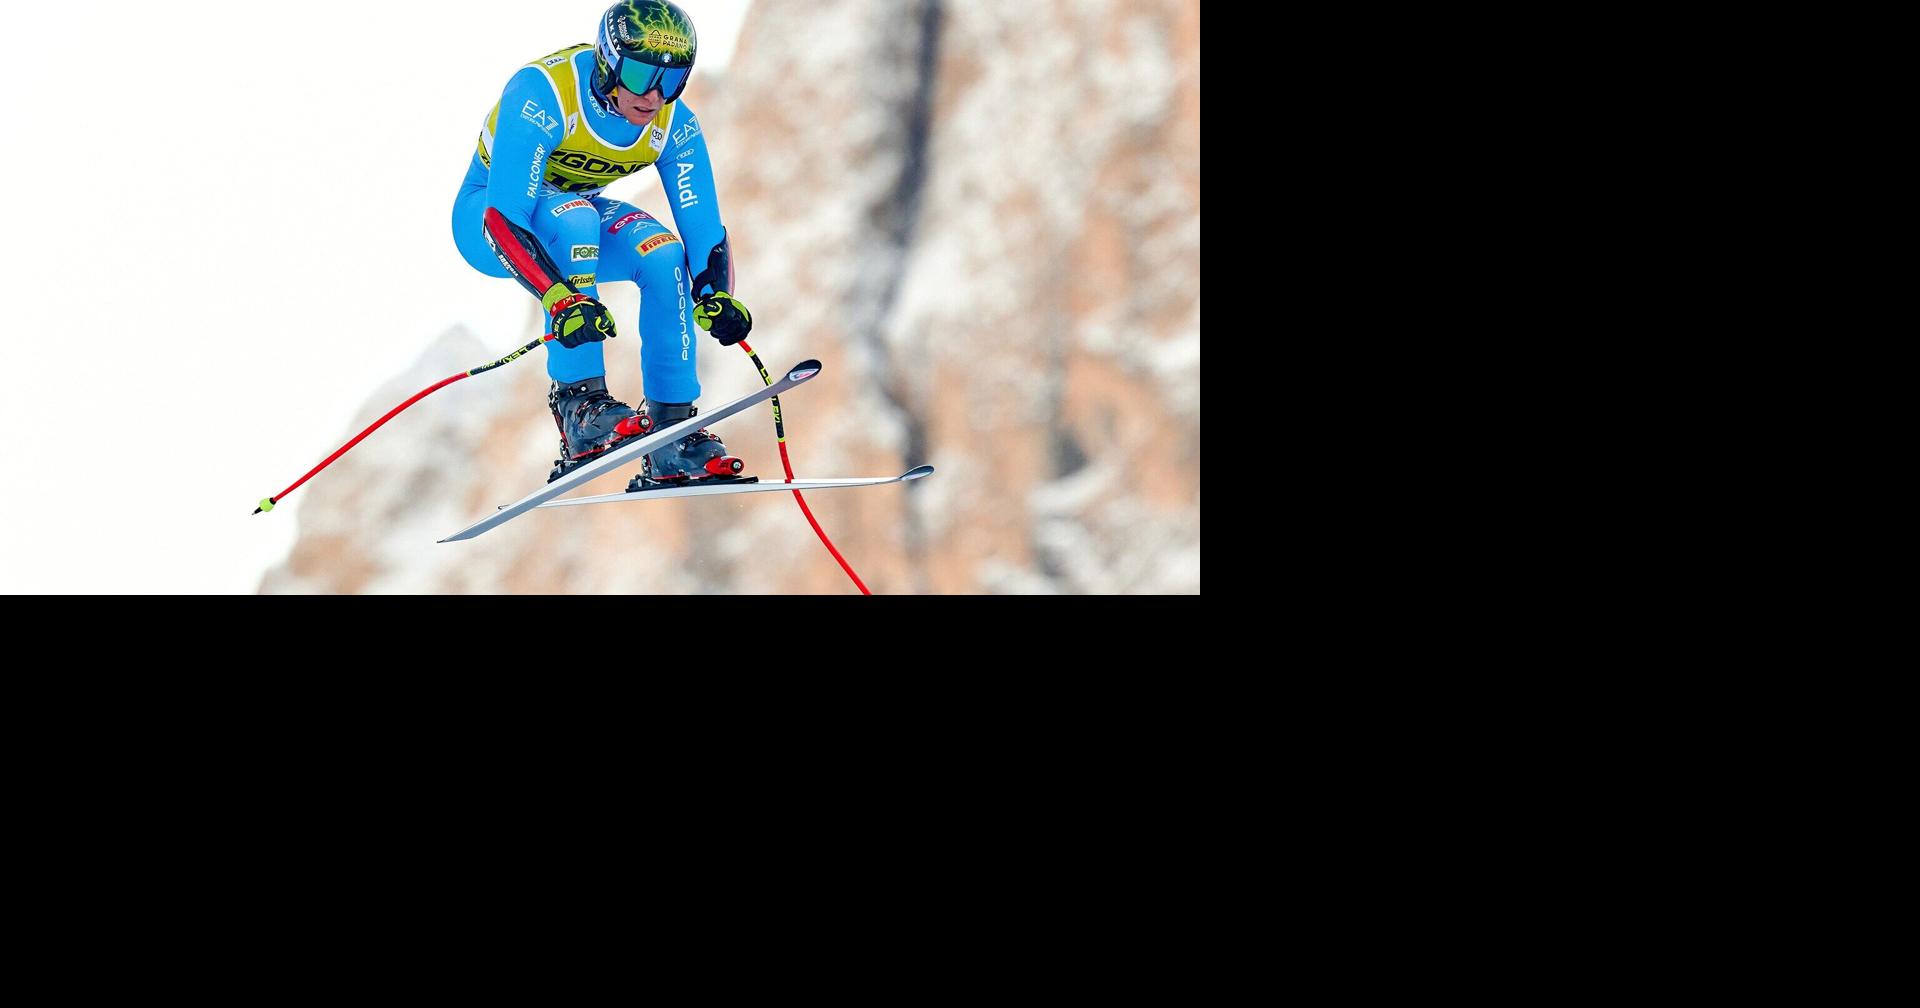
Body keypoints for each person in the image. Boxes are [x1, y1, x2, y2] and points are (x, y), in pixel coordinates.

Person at [451, 0, 755, 489]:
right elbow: (502, 218)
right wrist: (561, 298)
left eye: (673, 80)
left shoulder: (673, 124)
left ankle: (672, 433)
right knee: (576, 222)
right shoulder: (544, 92)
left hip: (575, 215)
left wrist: (715, 295)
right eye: (640, 75)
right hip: (490, 220)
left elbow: (704, 230)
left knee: (663, 255)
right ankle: (580, 407)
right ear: (608, 61)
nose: (654, 95)